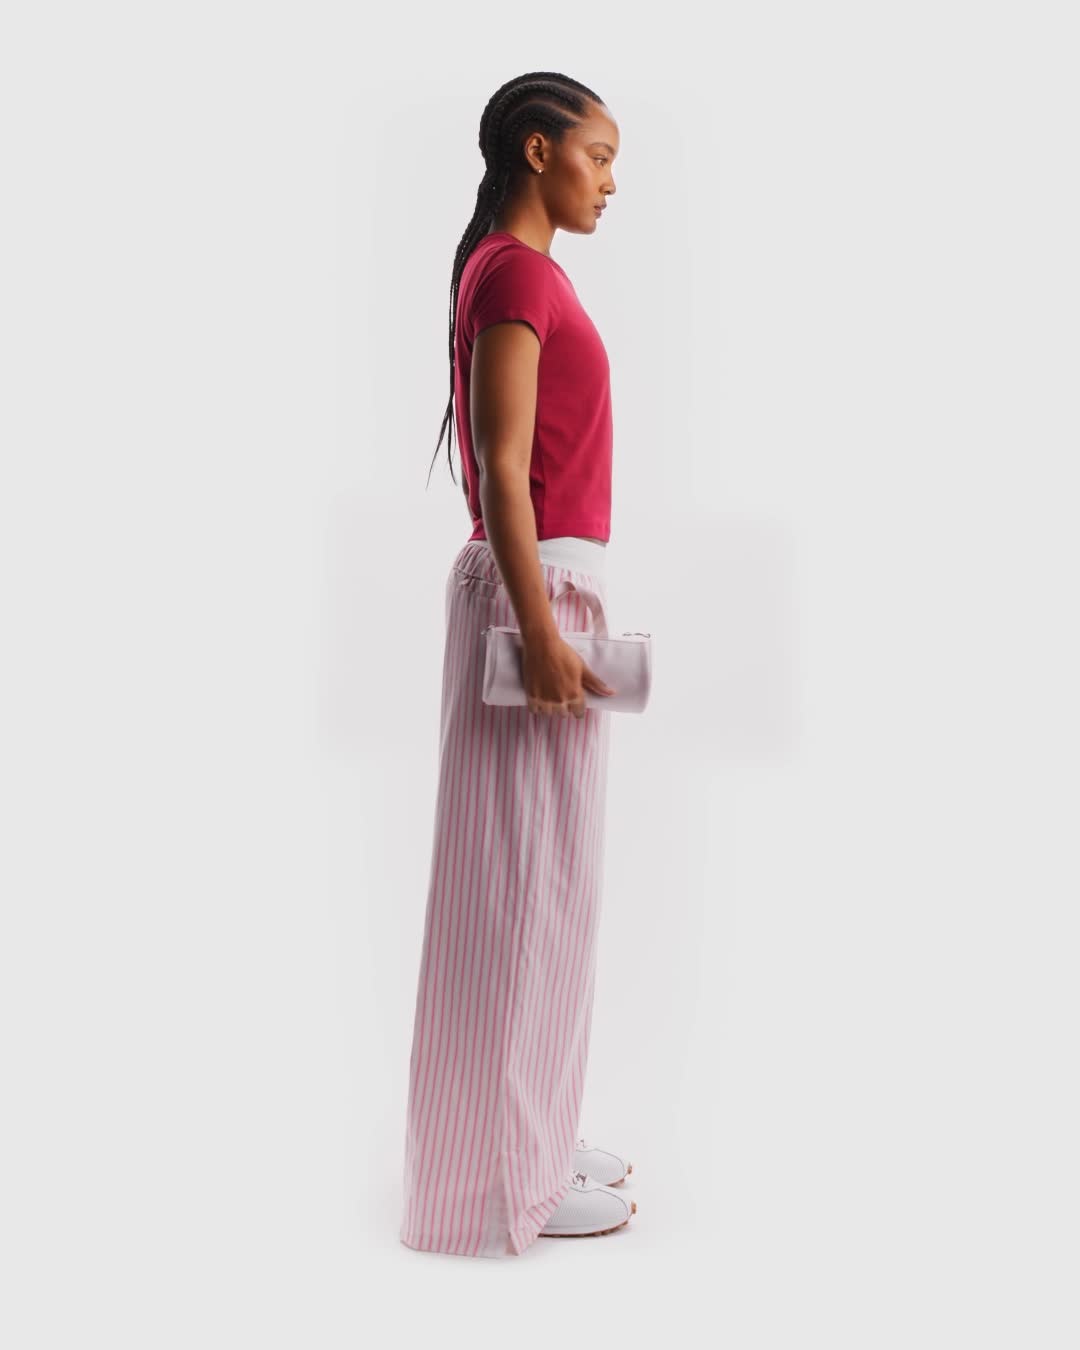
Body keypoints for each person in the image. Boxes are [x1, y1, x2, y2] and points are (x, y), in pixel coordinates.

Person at [399, 71, 636, 1259]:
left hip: (543, 584)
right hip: (530, 590)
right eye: (598, 154)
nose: (611, 181)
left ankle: (533, 1135)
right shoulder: (517, 274)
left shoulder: (518, 271)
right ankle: (503, 1181)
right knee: (521, 888)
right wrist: (541, 633)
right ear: (538, 151)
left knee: (549, 881)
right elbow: (501, 464)